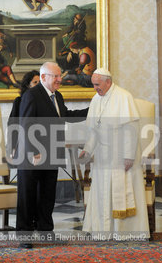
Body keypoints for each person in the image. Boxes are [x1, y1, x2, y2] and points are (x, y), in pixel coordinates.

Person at [15, 61, 88, 248]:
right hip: (32, 155)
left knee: (47, 196)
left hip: (52, 153)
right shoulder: (32, 95)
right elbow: (26, 125)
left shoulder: (58, 96)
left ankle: (46, 231)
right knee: (28, 195)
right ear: (43, 77)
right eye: (55, 76)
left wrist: (92, 110)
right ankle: (25, 236)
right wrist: (35, 150)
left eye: (59, 75)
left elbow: (66, 116)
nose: (59, 79)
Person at [79, 68, 150, 239]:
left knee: (121, 192)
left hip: (122, 155)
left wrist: (129, 156)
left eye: (97, 84)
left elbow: (131, 130)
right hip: (103, 156)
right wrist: (87, 149)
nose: (95, 88)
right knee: (102, 192)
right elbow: (94, 131)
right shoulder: (96, 99)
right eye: (93, 85)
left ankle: (124, 232)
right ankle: (103, 230)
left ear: (108, 82)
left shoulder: (123, 97)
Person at [8, 70, 40, 156]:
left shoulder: (45, 102)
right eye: (35, 82)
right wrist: (13, 147)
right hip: (24, 145)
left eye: (40, 82)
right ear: (28, 85)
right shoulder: (19, 101)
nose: (39, 85)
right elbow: (13, 125)